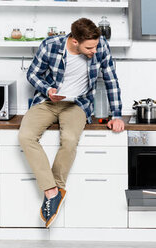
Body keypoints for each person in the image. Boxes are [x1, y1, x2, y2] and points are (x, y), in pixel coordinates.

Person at [19, 18, 124, 228]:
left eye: (95, 45)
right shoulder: (50, 46)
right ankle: (52, 191)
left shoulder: (100, 45)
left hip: (77, 105)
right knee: (25, 136)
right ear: (74, 41)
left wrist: (117, 114)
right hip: (47, 102)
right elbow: (32, 74)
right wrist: (48, 90)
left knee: (68, 139)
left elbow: (111, 79)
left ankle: (55, 189)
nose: (94, 50)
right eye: (89, 47)